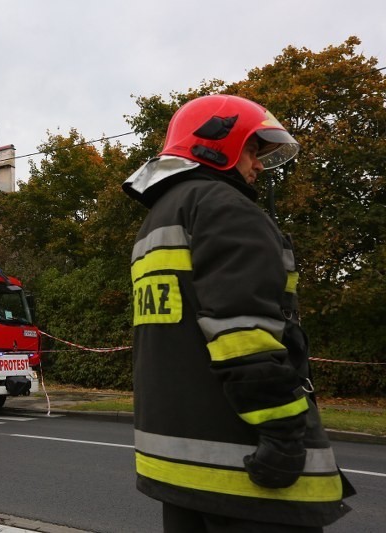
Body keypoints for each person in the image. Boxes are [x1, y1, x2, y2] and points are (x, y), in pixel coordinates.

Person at [122, 94, 355, 532]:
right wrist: (284, 435)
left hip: (179, 468)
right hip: (247, 475)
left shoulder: (160, 218)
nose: (260, 165)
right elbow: (244, 334)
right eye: (253, 149)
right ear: (216, 144)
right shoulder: (224, 208)